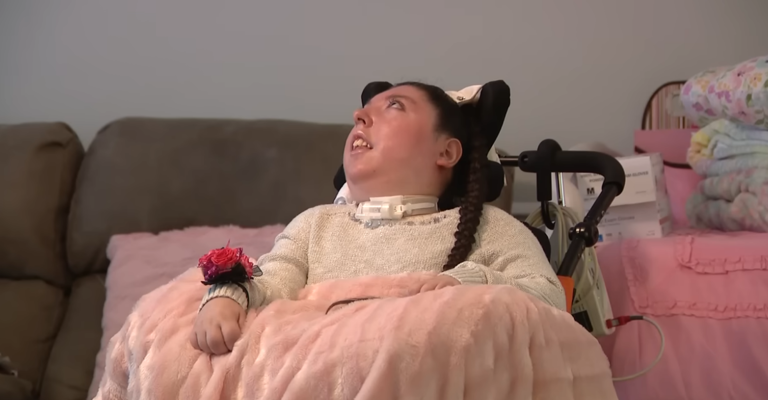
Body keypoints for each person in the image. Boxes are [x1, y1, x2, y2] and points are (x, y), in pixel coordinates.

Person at [190, 82, 566, 355]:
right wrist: (229, 298)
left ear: (447, 152)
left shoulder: (493, 227)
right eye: (363, 111)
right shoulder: (314, 224)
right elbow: (274, 280)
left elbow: (550, 301)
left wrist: (466, 284)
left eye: (394, 106)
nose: (359, 116)